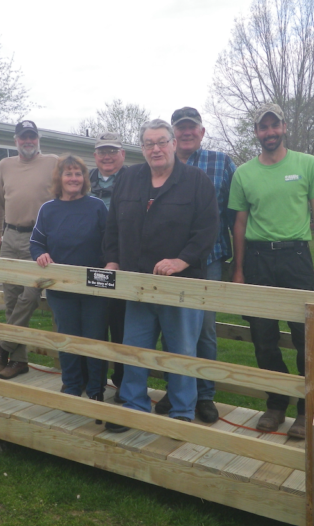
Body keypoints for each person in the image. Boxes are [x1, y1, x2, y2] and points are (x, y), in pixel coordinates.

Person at [229, 102, 314, 439]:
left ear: (284, 127)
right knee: (263, 337)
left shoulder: (307, 164)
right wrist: (239, 269)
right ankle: (276, 404)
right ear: (256, 132)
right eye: (263, 127)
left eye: (274, 126)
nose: (269, 133)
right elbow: (240, 223)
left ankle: (306, 411)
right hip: (258, 260)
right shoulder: (243, 173)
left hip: (296, 259)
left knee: (305, 336)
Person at [102, 119, 218, 432]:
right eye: (149, 143)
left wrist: (182, 260)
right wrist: (112, 261)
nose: (156, 149)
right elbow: (113, 225)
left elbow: (208, 230)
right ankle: (133, 407)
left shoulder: (196, 181)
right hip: (137, 283)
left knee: (181, 352)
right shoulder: (128, 179)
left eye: (162, 142)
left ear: (174, 144)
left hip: (180, 286)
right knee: (135, 350)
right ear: (142, 149)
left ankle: (182, 413)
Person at [153, 107, 237, 424]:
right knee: (169, 326)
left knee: (204, 330)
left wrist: (238, 261)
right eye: (181, 129)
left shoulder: (221, 162)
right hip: (165, 262)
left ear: (201, 132)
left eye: (192, 128)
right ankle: (176, 389)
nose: (187, 133)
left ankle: (204, 395)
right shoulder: (161, 163)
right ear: (173, 135)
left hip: (209, 258)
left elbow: (235, 215)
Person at [30, 155, 109, 404]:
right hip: (60, 287)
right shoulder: (48, 208)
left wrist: (111, 264)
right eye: (68, 174)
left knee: (94, 337)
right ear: (59, 178)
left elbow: (110, 242)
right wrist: (40, 254)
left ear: (84, 179)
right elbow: (35, 242)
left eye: (78, 174)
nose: (73, 178)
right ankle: (72, 385)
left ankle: (96, 388)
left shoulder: (96, 206)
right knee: (67, 337)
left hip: (94, 286)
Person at [0, 120, 58, 380]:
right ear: (15, 140)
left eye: (32, 136)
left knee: (29, 296)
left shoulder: (53, 162)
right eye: (23, 137)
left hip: (39, 240)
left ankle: (3, 344)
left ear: (38, 138)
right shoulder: (4, 165)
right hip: (10, 237)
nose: (27, 141)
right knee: (11, 300)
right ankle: (19, 361)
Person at [89, 132, 128, 401]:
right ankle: (94, 382)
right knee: (94, 324)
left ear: (122, 155)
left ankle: (123, 381)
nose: (107, 156)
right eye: (102, 151)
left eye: (112, 151)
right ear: (95, 156)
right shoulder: (84, 179)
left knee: (122, 324)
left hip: (122, 260)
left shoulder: (132, 179)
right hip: (90, 260)